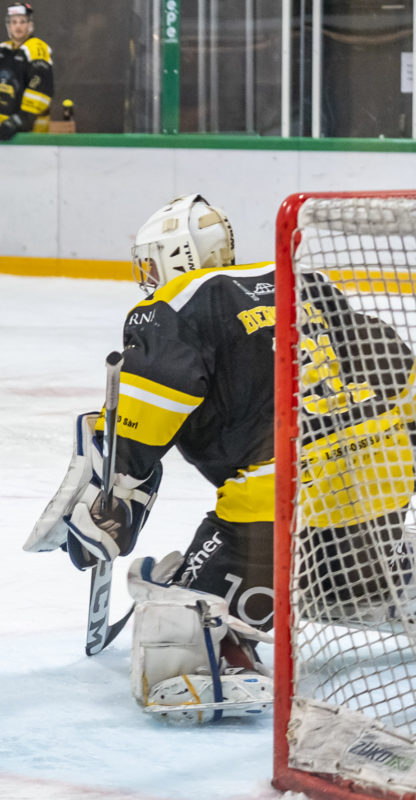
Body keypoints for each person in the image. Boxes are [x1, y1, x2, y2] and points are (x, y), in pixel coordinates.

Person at [24, 194, 416, 722]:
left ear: (178, 255)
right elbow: (395, 364)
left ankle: (220, 654)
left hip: (276, 512)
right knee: (340, 554)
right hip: (384, 491)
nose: (147, 276)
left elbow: (144, 420)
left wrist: (111, 500)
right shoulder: (302, 281)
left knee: (173, 628)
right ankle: (370, 581)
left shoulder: (177, 303)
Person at [0, 3, 53, 140]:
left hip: (30, 135)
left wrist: (20, 120)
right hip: (1, 131)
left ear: (30, 24)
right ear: (8, 25)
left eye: (22, 22)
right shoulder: (3, 50)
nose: (18, 26)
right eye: (14, 22)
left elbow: (40, 92)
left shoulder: (37, 49)